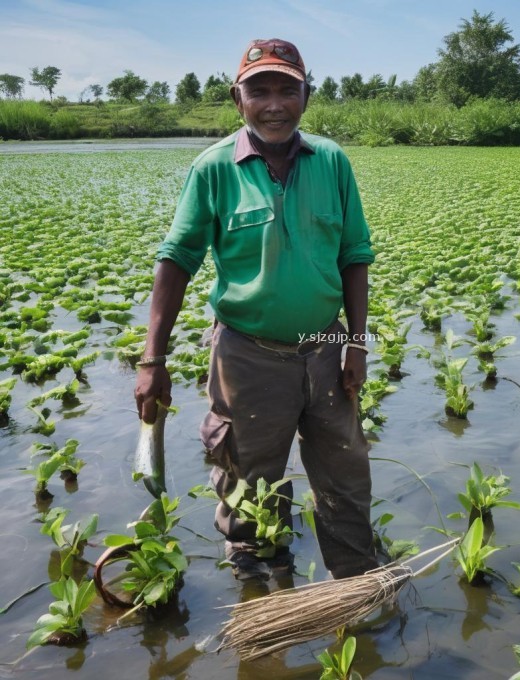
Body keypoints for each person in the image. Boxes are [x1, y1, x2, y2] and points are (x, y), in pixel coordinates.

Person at [134, 38, 379, 580]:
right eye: (259, 91)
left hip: (326, 349)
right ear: (237, 99)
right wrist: (152, 360)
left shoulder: (332, 161)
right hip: (247, 356)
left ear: (306, 97)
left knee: (345, 477)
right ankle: (261, 583)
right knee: (248, 482)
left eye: (287, 90)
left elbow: (354, 256)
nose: (275, 104)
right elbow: (176, 259)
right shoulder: (214, 168)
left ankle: (357, 583)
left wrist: (356, 342)